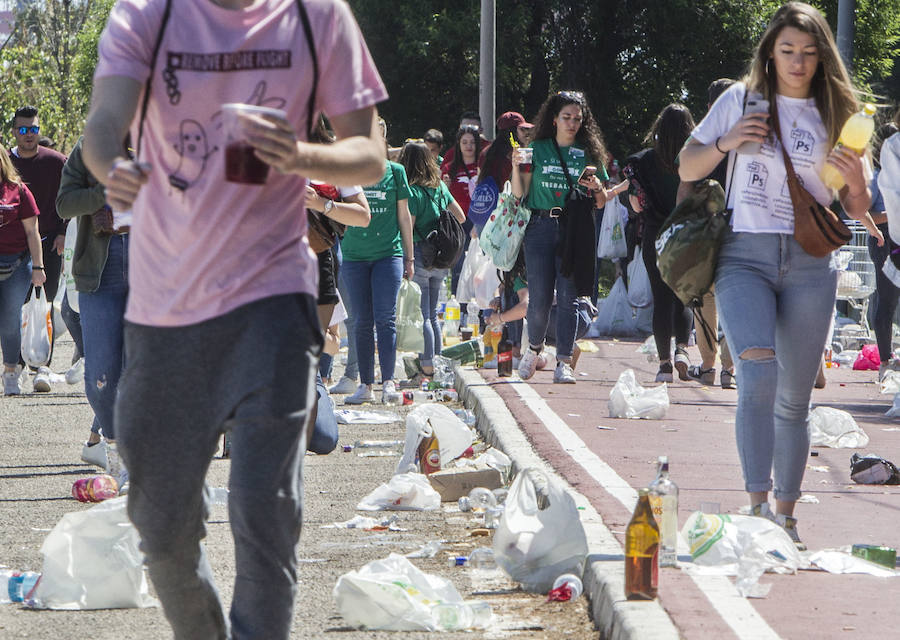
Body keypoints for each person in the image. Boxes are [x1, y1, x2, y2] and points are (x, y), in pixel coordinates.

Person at [81, 1, 388, 638]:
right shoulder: (146, 16)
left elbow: (369, 154)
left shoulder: (316, 18)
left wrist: (303, 157)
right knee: (161, 528)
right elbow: (103, 125)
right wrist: (115, 170)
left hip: (272, 301)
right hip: (165, 310)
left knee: (265, 517)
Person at [678, 1, 882, 549]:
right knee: (757, 375)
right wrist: (726, 142)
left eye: (809, 54)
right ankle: (757, 506)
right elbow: (686, 164)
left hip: (811, 262)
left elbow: (858, 203)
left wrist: (853, 183)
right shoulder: (741, 100)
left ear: (822, 59)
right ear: (770, 52)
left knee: (794, 399)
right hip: (744, 256)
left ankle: (787, 521)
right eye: (787, 50)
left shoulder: (840, 113)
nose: (797, 62)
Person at [511, 90, 611, 384]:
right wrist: (516, 165)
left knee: (569, 297)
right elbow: (519, 192)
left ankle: (564, 361)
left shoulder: (587, 153)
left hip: (573, 230)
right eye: (566, 117)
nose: (572, 123)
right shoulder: (537, 148)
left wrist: (595, 187)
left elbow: (602, 200)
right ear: (554, 119)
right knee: (539, 298)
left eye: (577, 119)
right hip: (539, 226)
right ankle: (534, 348)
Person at [56, 136, 130, 483]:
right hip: (100, 276)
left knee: (143, 369)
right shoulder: (90, 148)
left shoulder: (165, 143)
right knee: (99, 376)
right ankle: (113, 447)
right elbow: (64, 204)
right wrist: (106, 192)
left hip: (156, 275)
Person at [341, 120, 414, 405]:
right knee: (360, 321)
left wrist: (409, 256)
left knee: (386, 319)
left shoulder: (396, 172)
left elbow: (404, 216)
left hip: (388, 255)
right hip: (355, 256)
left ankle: (388, 383)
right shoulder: (348, 172)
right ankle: (365, 385)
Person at [624, 104, 697, 383]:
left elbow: (636, 205)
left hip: (656, 234)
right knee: (684, 296)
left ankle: (664, 365)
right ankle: (682, 351)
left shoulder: (642, 163)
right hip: (686, 233)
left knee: (661, 298)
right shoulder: (694, 160)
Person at [677, 79, 737, 389]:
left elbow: (684, 183)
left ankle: (711, 365)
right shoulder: (748, 134)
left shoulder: (700, 138)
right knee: (736, 298)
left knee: (707, 298)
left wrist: (683, 225)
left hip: (706, 228)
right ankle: (729, 368)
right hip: (738, 226)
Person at [9, 105, 68, 392]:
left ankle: (42, 367)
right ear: (14, 132)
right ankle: (17, 365)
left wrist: (63, 232)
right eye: (23, 129)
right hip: (12, 249)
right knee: (15, 309)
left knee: (44, 307)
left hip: (48, 245)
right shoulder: (5, 161)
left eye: (33, 129)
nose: (29, 135)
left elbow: (72, 196)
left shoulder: (56, 162)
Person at [399, 140, 466, 378]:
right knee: (433, 316)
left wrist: (407, 258)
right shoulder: (439, 188)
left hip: (420, 255)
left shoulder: (413, 192)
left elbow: (410, 227)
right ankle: (437, 362)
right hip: (442, 258)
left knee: (424, 316)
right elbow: (460, 215)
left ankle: (427, 364)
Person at [0, 154, 45, 395]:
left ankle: (11, 371)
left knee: (9, 320)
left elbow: (32, 232)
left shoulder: (18, 190)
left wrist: (38, 267)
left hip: (15, 264)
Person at [865, 118, 900, 379]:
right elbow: (863, 213)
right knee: (886, 300)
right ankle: (885, 360)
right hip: (883, 240)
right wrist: (893, 214)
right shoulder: (875, 177)